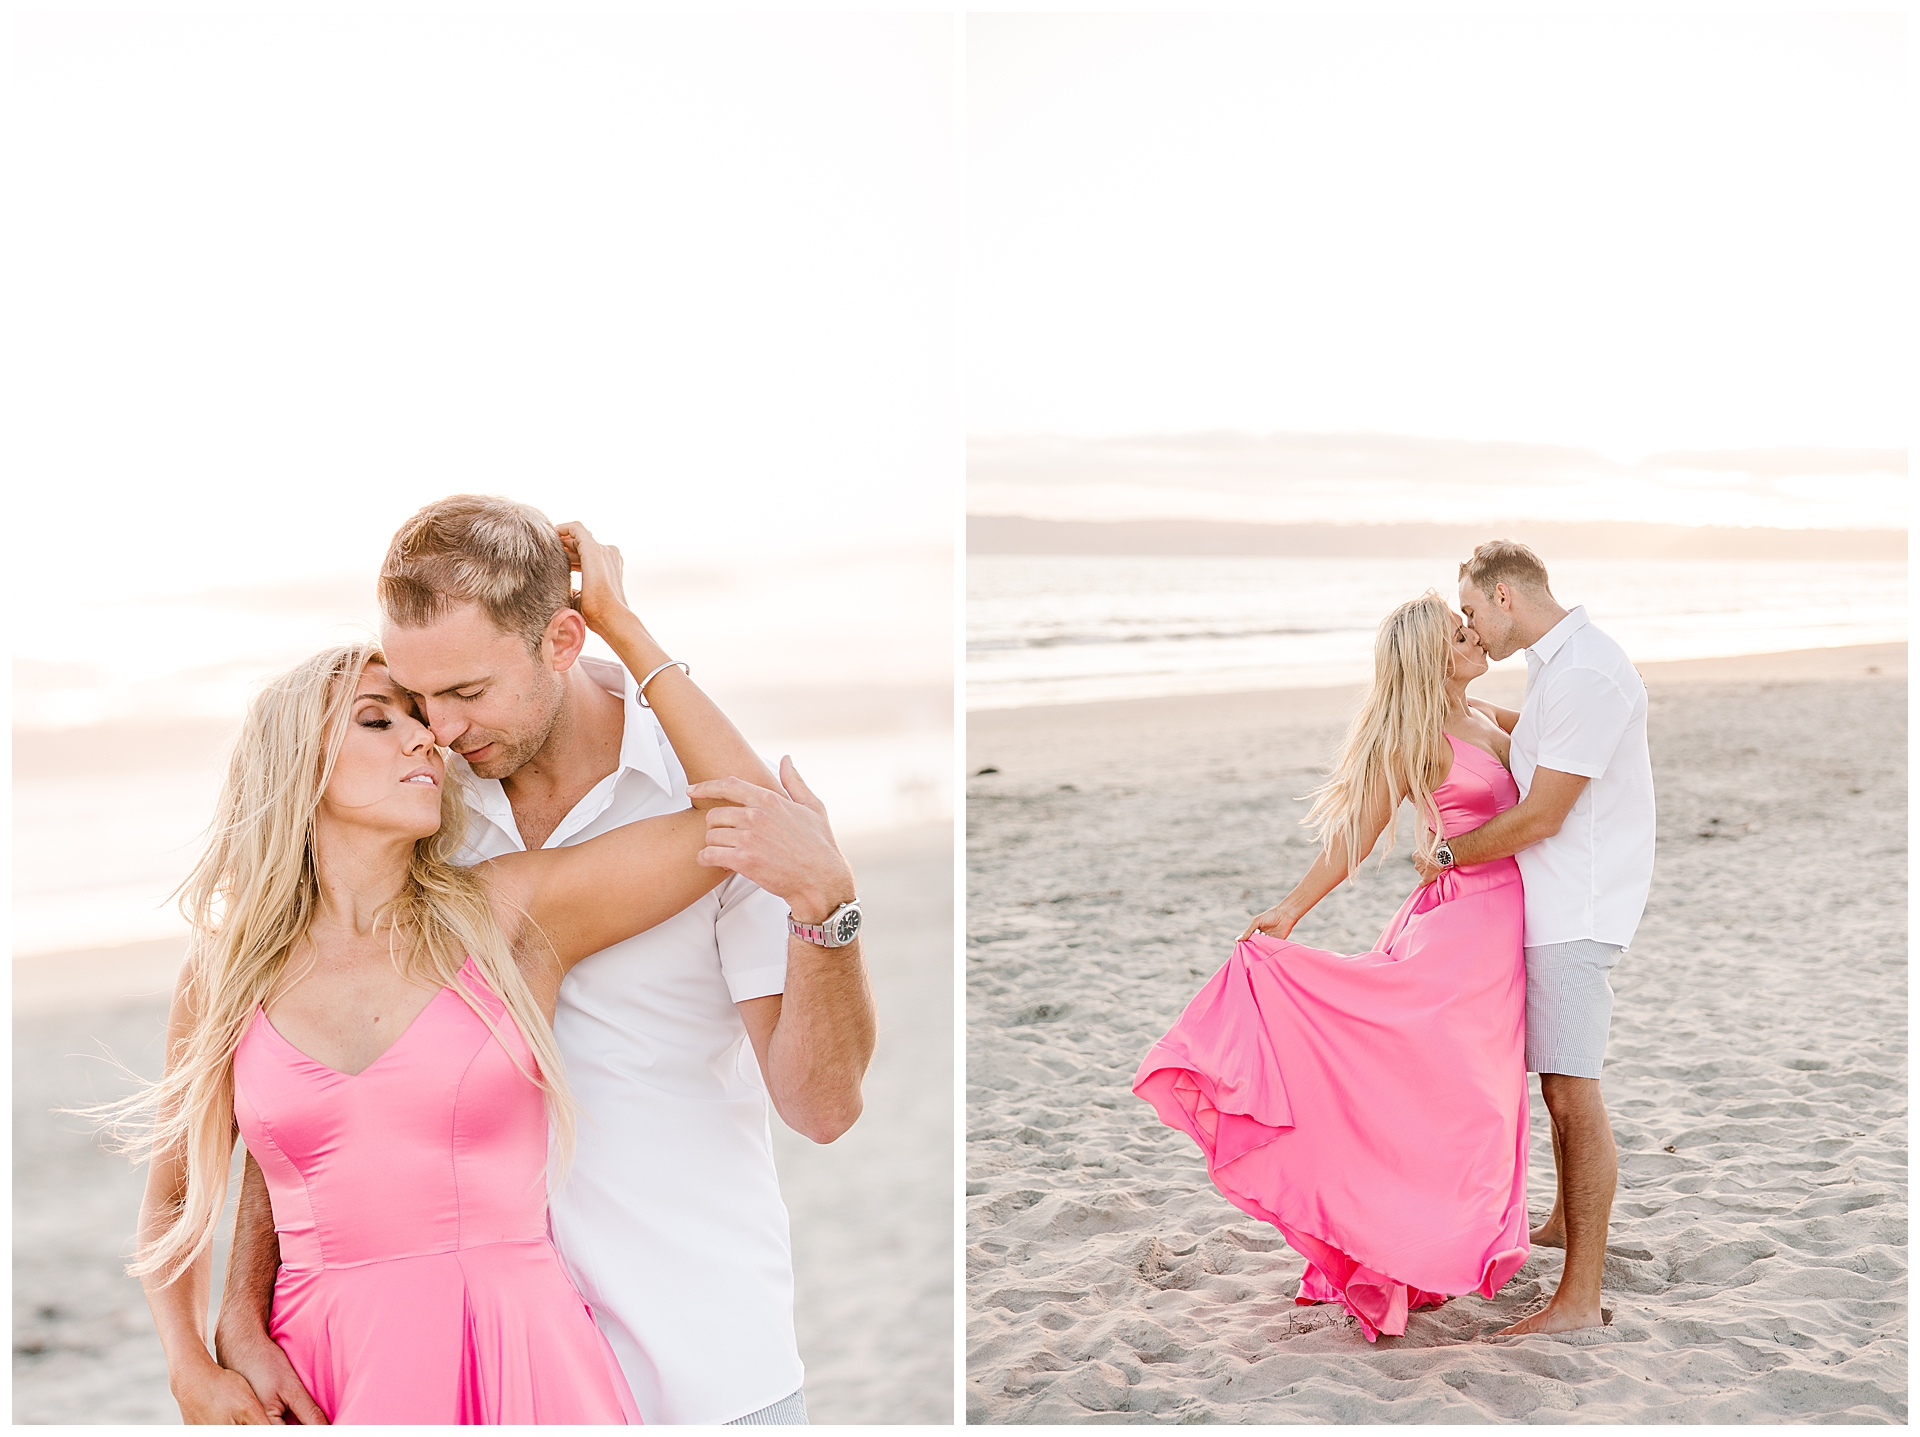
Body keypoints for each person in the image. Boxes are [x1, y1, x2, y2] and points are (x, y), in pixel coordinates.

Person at [109, 532, 837, 1422]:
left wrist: (623, 625)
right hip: (323, 1363)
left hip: (524, 1343)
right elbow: (187, 1187)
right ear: (296, 761)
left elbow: (751, 816)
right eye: (387, 716)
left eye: (434, 712)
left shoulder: (506, 914)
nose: (430, 737)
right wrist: (197, 1355)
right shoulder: (226, 968)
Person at [1134, 591, 1531, 1342]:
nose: (1475, 636)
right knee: (1455, 1095)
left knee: (1480, 1095)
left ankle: (1427, 1239)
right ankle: (1395, 1247)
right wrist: (1290, 909)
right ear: (1429, 655)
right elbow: (1353, 836)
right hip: (1462, 930)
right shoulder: (1416, 739)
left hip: (1504, 925)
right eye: (1459, 632)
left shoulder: (1488, 717)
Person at [1422, 539, 1655, 1336]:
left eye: (1472, 610)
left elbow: (1543, 813)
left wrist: (1447, 853)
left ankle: (1579, 1300)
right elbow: (1546, 748)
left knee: (1570, 1091)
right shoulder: (1560, 665)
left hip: (1577, 908)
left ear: (1505, 597)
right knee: (1559, 1086)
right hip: (1556, 902)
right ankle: (1560, 1221)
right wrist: (1479, 717)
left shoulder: (1585, 670)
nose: (1471, 628)